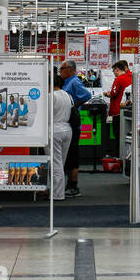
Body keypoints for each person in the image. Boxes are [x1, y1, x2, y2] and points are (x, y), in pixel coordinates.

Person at [59, 60, 91, 198]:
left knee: (72, 153)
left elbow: (87, 95)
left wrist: (73, 107)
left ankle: (73, 186)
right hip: (65, 121)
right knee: (67, 154)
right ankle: (67, 184)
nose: (60, 71)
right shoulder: (67, 83)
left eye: (63, 69)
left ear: (71, 69)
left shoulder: (74, 82)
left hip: (72, 122)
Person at [50, 71, 74, 200]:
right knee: (61, 163)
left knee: (56, 163)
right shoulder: (67, 95)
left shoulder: (50, 96)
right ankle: (57, 191)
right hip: (67, 129)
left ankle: (57, 194)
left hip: (54, 130)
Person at [104, 60, 132, 157]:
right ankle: (124, 154)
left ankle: (118, 155)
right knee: (125, 135)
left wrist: (106, 93)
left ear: (117, 70)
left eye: (114, 71)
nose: (114, 74)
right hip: (127, 111)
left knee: (117, 134)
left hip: (117, 110)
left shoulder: (119, 79)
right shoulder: (131, 77)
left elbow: (113, 93)